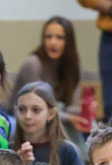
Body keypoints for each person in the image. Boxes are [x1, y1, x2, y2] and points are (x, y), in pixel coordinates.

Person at [10, 16, 91, 145]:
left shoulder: (75, 67)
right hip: (22, 115)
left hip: (56, 117)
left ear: (69, 42)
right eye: (48, 37)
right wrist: (70, 118)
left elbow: (72, 107)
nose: (53, 42)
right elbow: (35, 105)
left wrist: (83, 114)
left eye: (60, 38)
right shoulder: (33, 64)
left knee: (91, 128)